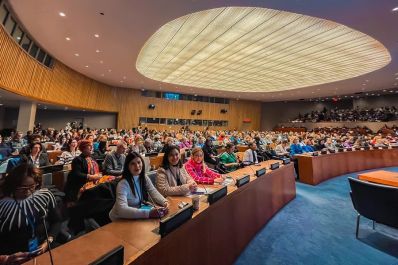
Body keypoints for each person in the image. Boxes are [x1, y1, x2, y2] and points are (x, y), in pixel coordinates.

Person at [0, 163, 61, 256]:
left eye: (32, 186)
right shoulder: (2, 204)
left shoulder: (45, 195)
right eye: (22, 188)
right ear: (13, 185)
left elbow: (57, 221)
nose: (28, 191)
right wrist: (7, 258)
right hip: (14, 255)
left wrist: (48, 241)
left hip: (44, 247)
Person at [109, 152, 169, 220]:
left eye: (138, 162)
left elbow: (153, 191)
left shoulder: (144, 177)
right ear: (127, 166)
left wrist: (164, 202)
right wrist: (148, 213)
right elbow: (122, 210)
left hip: (135, 216)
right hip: (119, 220)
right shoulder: (123, 184)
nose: (137, 166)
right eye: (132, 163)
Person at [64, 140, 101, 204]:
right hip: (80, 183)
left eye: (92, 146)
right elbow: (77, 174)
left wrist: (98, 175)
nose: (92, 148)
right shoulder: (77, 159)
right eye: (90, 147)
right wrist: (92, 177)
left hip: (93, 181)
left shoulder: (91, 158)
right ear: (83, 148)